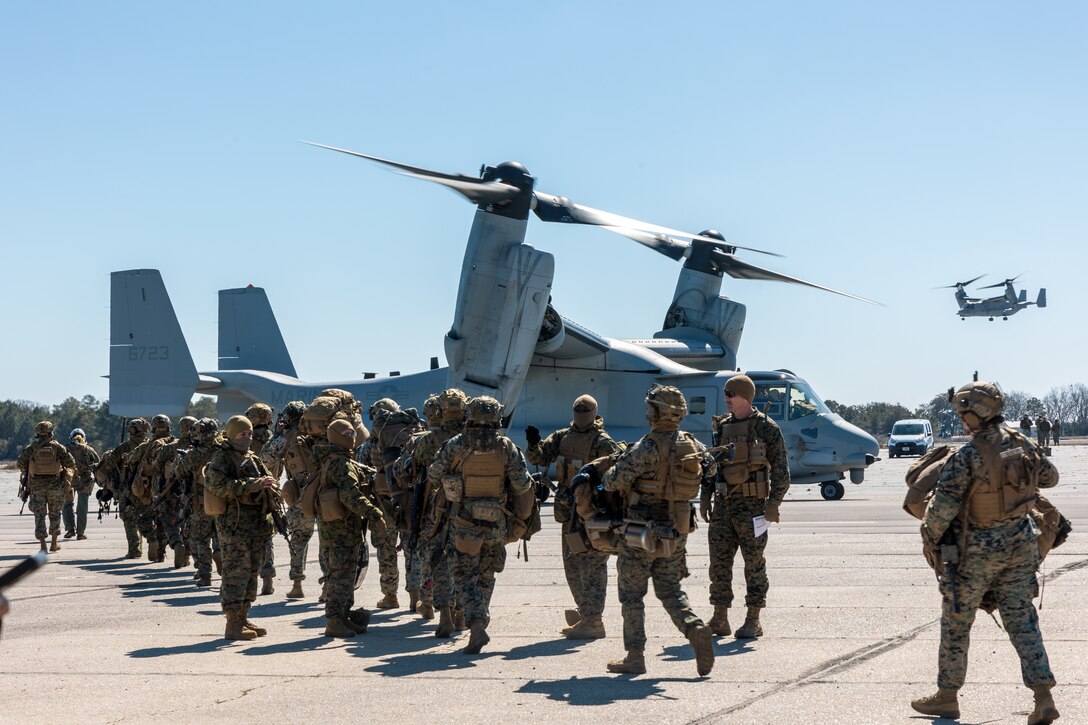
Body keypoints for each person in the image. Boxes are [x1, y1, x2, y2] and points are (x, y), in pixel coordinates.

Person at [911, 381, 1059, 723]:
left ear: (972, 415)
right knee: (1022, 622)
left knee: (956, 624)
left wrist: (929, 540)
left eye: (963, 414)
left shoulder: (968, 456)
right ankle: (1043, 697)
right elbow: (1050, 478)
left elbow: (940, 512)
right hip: (1021, 546)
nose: (962, 420)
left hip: (975, 554)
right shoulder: (1023, 444)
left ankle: (947, 697)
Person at [597, 386, 715, 677]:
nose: (647, 411)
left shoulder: (647, 447)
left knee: (632, 595)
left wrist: (613, 467)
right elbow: (711, 469)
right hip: (676, 530)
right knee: (670, 590)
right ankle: (695, 629)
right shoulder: (692, 444)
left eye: (651, 407)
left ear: (659, 412)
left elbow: (613, 481)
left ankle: (635, 656)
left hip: (641, 532)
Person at [428, 395, 533, 654]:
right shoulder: (506, 447)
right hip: (496, 522)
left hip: (463, 523)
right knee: (486, 575)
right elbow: (522, 484)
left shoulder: (456, 445)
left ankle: (476, 626)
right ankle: (480, 620)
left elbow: (433, 475)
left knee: (465, 576)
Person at [701, 374, 791, 639]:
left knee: (753, 564)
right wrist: (706, 496)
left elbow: (782, 471)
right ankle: (720, 617)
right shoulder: (722, 426)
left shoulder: (766, 427)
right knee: (718, 563)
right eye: (726, 393)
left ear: (745, 397)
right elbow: (713, 466)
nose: (726, 398)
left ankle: (753, 619)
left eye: (731, 393)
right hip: (723, 507)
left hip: (753, 508)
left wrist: (773, 504)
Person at [525, 394, 621, 639]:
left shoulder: (603, 442)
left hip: (592, 515)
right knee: (573, 567)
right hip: (569, 514)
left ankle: (594, 621)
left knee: (593, 567)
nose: (580, 414)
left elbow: (615, 478)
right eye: (577, 410)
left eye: (585, 411)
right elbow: (538, 458)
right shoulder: (562, 437)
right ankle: (586, 614)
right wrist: (533, 444)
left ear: (594, 413)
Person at [393, 389, 468, 635]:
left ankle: (441, 611)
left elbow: (402, 472)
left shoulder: (424, 441)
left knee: (437, 560)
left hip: (434, 511)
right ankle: (460, 615)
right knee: (466, 562)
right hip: (467, 511)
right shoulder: (471, 438)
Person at [204, 415, 280, 640]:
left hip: (256, 525)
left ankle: (243, 616)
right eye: (241, 434)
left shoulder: (252, 457)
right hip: (234, 526)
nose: (246, 438)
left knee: (251, 573)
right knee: (236, 574)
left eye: (249, 434)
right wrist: (253, 484)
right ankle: (232, 623)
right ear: (231, 435)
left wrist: (268, 485)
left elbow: (267, 478)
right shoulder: (222, 457)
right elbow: (217, 485)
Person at [312, 419, 387, 637]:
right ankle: (334, 621)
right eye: (346, 434)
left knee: (346, 576)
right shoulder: (341, 464)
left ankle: (343, 617)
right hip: (341, 532)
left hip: (340, 529)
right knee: (340, 577)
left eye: (353, 433)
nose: (352, 438)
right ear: (335, 436)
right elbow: (350, 495)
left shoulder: (335, 460)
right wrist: (374, 514)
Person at [358, 398, 424, 610]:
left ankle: (390, 596)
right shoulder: (412, 437)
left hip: (383, 503)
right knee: (412, 549)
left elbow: (361, 468)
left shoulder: (372, 443)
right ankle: (415, 597)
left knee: (386, 551)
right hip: (409, 500)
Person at [260, 401, 321, 599]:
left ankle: (297, 584)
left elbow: (266, 458)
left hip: (302, 493)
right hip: (324, 490)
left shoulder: (287, 437)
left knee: (299, 539)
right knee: (327, 541)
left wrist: (277, 435)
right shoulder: (319, 432)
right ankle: (328, 587)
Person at [175, 418, 222, 587]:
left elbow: (179, 473)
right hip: (222, 501)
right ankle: (219, 553)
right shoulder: (223, 450)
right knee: (220, 535)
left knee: (200, 539)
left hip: (201, 504)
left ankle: (205, 575)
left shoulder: (194, 455)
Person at [17, 421, 77, 552]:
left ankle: (43, 545)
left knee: (39, 515)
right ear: (50, 432)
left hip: (36, 486)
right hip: (55, 485)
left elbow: (20, 464)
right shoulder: (58, 447)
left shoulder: (31, 448)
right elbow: (71, 463)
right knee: (55, 513)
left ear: (37, 432)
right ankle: (54, 543)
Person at [126, 414, 175, 563]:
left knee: (142, 518)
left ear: (153, 428)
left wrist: (129, 490)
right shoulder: (176, 444)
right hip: (170, 490)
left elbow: (132, 465)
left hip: (148, 491)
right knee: (164, 520)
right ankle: (161, 552)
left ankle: (152, 539)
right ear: (168, 427)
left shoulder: (145, 447)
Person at [98, 418, 149, 558]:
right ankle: (153, 542)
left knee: (128, 517)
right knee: (147, 517)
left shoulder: (124, 447)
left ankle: (135, 549)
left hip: (127, 488)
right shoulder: (151, 445)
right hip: (147, 488)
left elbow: (109, 465)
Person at [245, 403, 277, 595]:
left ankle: (250, 577)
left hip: (249, 491)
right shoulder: (275, 439)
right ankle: (268, 579)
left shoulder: (245, 439)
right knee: (267, 536)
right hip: (271, 491)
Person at [64, 428, 101, 540]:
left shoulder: (65, 449)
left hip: (68, 480)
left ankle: (70, 530)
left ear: (71, 437)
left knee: (67, 505)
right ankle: (80, 533)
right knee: (82, 507)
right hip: (84, 481)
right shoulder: (88, 449)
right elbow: (98, 463)